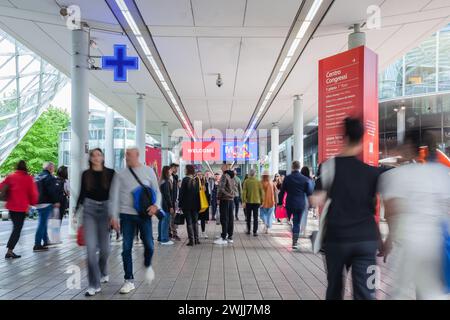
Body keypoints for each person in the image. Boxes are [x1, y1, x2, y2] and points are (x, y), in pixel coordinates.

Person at [311, 117, 383, 300]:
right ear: (362, 140)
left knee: (334, 288)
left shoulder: (328, 167)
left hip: (337, 239)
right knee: (366, 293)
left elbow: (316, 199)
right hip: (366, 240)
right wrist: (382, 240)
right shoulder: (372, 173)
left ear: (344, 137)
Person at [379, 130, 450, 300]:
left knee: (399, 291)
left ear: (411, 147)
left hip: (407, 243)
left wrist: (388, 242)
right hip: (435, 243)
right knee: (431, 291)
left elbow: (391, 211)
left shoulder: (396, 175)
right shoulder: (442, 173)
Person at [110, 147, 162, 294]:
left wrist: (155, 206)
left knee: (150, 246)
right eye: (126, 155)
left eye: (129, 155)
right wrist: (114, 217)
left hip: (143, 214)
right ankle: (129, 280)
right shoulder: (120, 174)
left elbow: (157, 191)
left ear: (137, 156)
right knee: (126, 248)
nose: (127, 157)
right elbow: (114, 197)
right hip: (126, 215)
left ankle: (147, 264)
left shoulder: (148, 171)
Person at [73, 148, 117, 297]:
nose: (97, 158)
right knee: (90, 250)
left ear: (103, 157)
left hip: (106, 211)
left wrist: (114, 215)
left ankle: (103, 270)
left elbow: (114, 196)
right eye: (94, 155)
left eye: (99, 155)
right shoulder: (86, 174)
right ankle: (93, 284)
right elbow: (82, 194)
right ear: (90, 159)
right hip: (89, 211)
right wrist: (75, 212)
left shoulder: (111, 173)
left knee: (105, 250)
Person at [0, 160, 38, 259]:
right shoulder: (28, 178)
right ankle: (9, 251)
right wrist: (33, 203)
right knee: (17, 229)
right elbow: (33, 193)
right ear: (25, 167)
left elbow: (1, 186)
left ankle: (10, 250)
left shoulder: (11, 176)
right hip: (21, 208)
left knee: (16, 228)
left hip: (11, 207)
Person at [279, 161, 313, 250]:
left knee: (289, 219)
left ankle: (290, 224)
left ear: (292, 167)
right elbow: (309, 193)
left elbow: (282, 191)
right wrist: (310, 204)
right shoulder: (305, 179)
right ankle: (295, 242)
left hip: (289, 203)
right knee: (297, 223)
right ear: (299, 167)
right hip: (300, 204)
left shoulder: (287, 178)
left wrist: (279, 203)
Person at [34, 162, 61, 251]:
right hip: (46, 202)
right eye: (53, 167)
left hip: (38, 202)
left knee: (43, 223)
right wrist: (56, 201)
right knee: (42, 224)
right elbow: (52, 191)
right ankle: (37, 244)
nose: (54, 169)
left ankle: (46, 241)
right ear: (50, 168)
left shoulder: (37, 177)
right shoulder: (49, 177)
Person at [178, 165, 201, 246]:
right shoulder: (196, 180)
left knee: (189, 222)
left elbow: (181, 193)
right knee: (195, 221)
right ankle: (197, 239)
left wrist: (180, 204)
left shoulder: (185, 180)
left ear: (187, 170)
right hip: (196, 205)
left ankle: (191, 241)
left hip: (186, 205)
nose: (184, 170)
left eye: (185, 169)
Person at [214, 163, 235, 245]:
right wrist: (231, 195)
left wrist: (218, 198)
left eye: (222, 166)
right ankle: (230, 236)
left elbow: (221, 189)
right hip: (231, 200)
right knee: (230, 218)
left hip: (225, 199)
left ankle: (223, 237)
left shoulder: (224, 176)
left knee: (224, 218)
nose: (221, 167)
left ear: (225, 168)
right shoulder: (232, 176)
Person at [242, 169, 264, 236]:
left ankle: (248, 230)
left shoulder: (246, 181)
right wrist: (262, 201)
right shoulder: (258, 182)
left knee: (248, 217)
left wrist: (243, 201)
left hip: (248, 202)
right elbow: (261, 192)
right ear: (255, 174)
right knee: (255, 217)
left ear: (249, 174)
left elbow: (244, 192)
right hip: (257, 202)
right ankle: (255, 231)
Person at [50, 166, 69, 244]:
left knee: (54, 220)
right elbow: (68, 192)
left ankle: (53, 238)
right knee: (59, 220)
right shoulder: (65, 181)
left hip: (53, 202)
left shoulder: (53, 179)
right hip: (61, 202)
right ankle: (56, 239)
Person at [159, 166, 175, 246]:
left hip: (162, 204)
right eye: (170, 170)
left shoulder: (162, 181)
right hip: (165, 205)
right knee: (165, 222)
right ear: (166, 172)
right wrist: (171, 206)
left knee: (162, 221)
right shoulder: (165, 182)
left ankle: (161, 238)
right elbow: (167, 195)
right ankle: (164, 239)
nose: (171, 172)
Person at [260, 170, 277, 234]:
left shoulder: (261, 183)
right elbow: (276, 191)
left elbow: (259, 192)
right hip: (271, 202)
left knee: (263, 215)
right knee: (269, 216)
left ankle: (266, 225)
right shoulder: (271, 183)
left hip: (263, 202)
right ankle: (267, 227)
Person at [299, 167, 314, 238]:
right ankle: (304, 231)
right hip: (306, 198)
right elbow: (311, 190)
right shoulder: (309, 179)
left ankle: (299, 230)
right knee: (305, 215)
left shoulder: (299, 179)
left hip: (298, 197)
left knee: (299, 214)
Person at [197, 171, 210, 239]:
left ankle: (203, 232)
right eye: (198, 175)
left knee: (203, 219)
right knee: (196, 219)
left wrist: (205, 191)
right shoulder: (194, 183)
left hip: (204, 204)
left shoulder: (206, 184)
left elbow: (208, 195)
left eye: (200, 175)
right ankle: (196, 233)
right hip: (197, 204)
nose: (199, 176)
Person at [169, 163, 180, 241]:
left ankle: (172, 233)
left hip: (174, 201)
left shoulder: (175, 178)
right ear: (172, 168)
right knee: (171, 218)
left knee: (173, 218)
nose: (177, 170)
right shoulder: (170, 178)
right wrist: (171, 204)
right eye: (176, 168)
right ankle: (173, 234)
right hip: (171, 201)